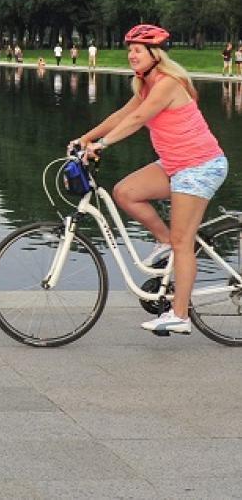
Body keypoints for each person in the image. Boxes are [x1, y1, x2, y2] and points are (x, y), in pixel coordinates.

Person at [71, 24, 227, 335]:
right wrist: (84, 138)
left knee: (184, 242)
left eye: (137, 51)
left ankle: (179, 315)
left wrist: (102, 146)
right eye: (129, 50)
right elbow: (122, 115)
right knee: (125, 192)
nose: (131, 55)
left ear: (155, 56)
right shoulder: (145, 87)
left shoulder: (168, 84)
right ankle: (163, 240)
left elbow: (139, 120)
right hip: (173, 164)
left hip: (199, 166)